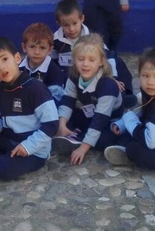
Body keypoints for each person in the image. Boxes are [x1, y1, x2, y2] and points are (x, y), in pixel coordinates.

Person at [0, 37, 59, 181]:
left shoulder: (36, 89)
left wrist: (27, 147)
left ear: (17, 58)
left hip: (33, 151)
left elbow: (51, 125)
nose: (1, 67)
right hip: (7, 138)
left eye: (4, 59)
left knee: (2, 170)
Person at [53, 34, 124, 165]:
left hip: (108, 120)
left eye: (92, 60)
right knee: (57, 114)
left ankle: (79, 138)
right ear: (74, 59)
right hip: (88, 114)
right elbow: (67, 101)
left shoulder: (107, 85)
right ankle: (71, 134)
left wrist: (83, 149)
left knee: (103, 141)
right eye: (81, 59)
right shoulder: (74, 76)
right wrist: (61, 124)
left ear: (101, 61)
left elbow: (100, 120)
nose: (85, 64)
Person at [52, 0, 135, 105]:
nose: (71, 29)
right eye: (66, 25)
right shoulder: (55, 41)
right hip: (71, 77)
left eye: (74, 23)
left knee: (117, 62)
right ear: (59, 23)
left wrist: (112, 78)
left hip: (93, 71)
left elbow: (107, 57)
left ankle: (125, 95)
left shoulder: (92, 38)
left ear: (82, 18)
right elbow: (52, 63)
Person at [20, 22, 65, 103]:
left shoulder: (54, 72)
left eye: (42, 48)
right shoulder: (18, 68)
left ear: (50, 50)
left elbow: (55, 99)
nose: (37, 52)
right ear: (24, 47)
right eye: (32, 46)